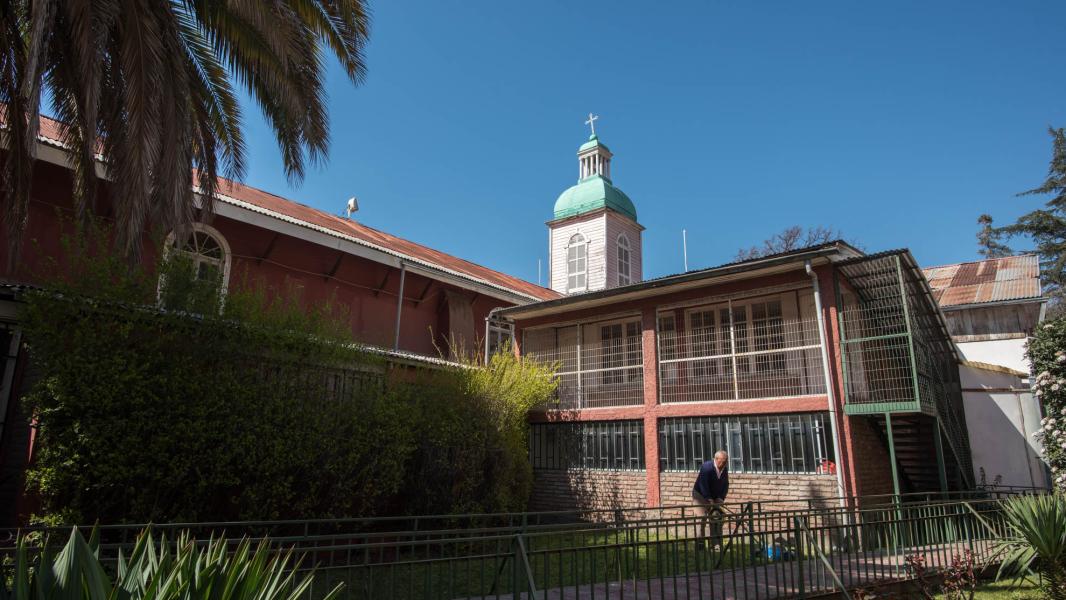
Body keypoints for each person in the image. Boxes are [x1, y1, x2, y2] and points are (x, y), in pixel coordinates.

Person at [692, 450, 730, 550]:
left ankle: (715, 545)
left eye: (726, 461)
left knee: (716, 517)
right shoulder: (706, 467)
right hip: (700, 494)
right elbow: (703, 484)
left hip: (714, 496)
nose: (725, 463)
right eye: (723, 461)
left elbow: (725, 485)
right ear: (716, 459)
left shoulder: (724, 469)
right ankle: (700, 544)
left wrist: (721, 498)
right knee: (702, 517)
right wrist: (709, 499)